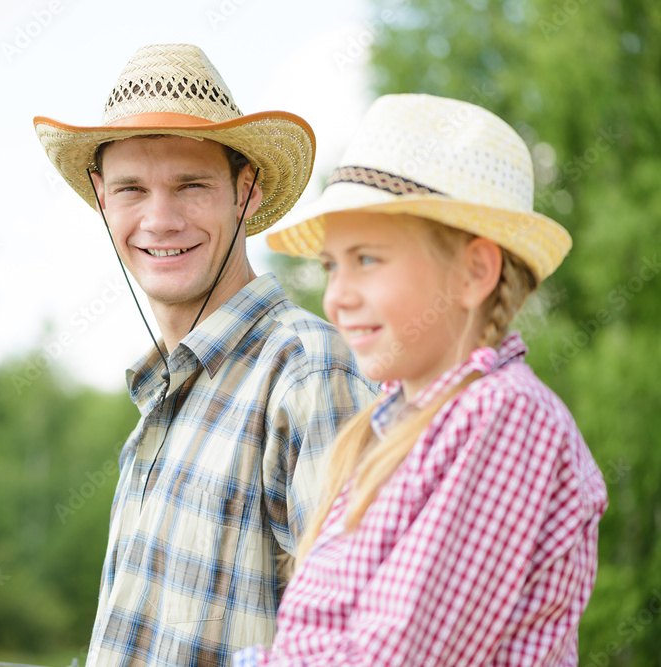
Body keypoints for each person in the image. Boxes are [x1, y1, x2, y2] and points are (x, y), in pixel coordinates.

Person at [233, 93, 609, 666]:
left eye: (367, 260)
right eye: (332, 265)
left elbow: (393, 656)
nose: (336, 296)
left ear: (474, 272)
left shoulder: (507, 417)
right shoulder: (391, 426)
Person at [33, 44, 376, 666]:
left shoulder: (307, 372)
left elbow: (360, 642)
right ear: (101, 197)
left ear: (244, 193)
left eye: (190, 185)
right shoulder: (164, 394)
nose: (159, 219)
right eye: (131, 188)